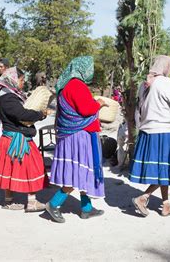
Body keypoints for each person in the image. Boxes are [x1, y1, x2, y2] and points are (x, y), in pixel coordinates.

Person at [45, 56, 106, 223]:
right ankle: (54, 204)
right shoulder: (77, 85)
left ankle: (86, 208)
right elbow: (86, 109)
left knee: (83, 170)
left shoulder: (65, 85)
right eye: (90, 68)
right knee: (77, 172)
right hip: (79, 136)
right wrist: (99, 103)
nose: (91, 72)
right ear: (83, 68)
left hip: (70, 134)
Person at [129, 55, 170, 217]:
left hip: (148, 132)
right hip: (166, 133)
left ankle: (166, 204)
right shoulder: (165, 83)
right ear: (166, 67)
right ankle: (143, 198)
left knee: (161, 168)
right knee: (165, 169)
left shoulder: (145, 84)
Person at [0, 67, 49, 211]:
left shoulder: (6, 95)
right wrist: (40, 114)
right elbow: (22, 115)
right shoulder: (8, 98)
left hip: (11, 138)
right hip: (18, 139)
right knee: (32, 168)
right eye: (21, 80)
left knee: (10, 169)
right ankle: (31, 202)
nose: (23, 83)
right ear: (12, 79)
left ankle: (9, 200)